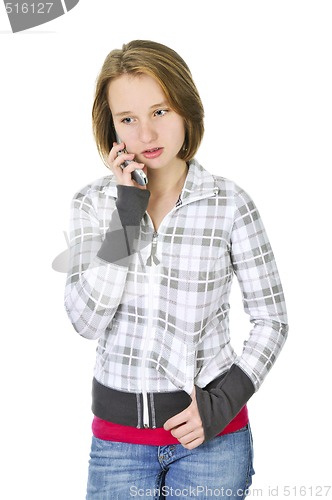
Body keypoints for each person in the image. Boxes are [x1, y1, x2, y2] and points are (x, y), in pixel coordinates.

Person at [64, 40, 288, 499]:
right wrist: (128, 212)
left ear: (186, 111)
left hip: (214, 442)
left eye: (160, 112)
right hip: (118, 447)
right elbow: (85, 321)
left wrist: (221, 403)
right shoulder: (91, 204)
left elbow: (272, 319)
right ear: (112, 129)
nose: (145, 135)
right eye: (128, 119)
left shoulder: (230, 204)